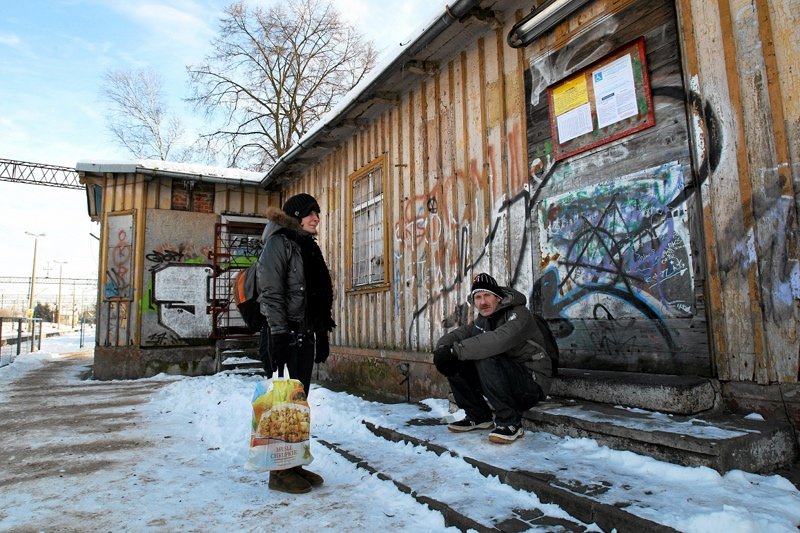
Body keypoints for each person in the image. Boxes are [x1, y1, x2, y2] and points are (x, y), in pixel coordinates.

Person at [256, 193, 336, 494]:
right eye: (310, 213)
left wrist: (322, 332)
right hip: (282, 335)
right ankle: (278, 473)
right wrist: (278, 335)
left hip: (303, 334)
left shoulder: (305, 246)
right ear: (294, 217)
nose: (316, 218)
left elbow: (314, 297)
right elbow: (271, 293)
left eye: (317, 213)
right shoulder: (279, 244)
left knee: (297, 403)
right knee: (281, 403)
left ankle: (293, 463)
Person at [432, 273, 554, 444]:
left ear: (498, 297)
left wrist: (455, 351)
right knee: (454, 361)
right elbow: (461, 334)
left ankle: (510, 422)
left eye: (487, 295)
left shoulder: (520, 314)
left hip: (532, 384)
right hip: (509, 381)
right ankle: (479, 416)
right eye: (478, 297)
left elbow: (497, 339)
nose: (483, 302)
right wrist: (443, 349)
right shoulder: (483, 320)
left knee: (483, 352)